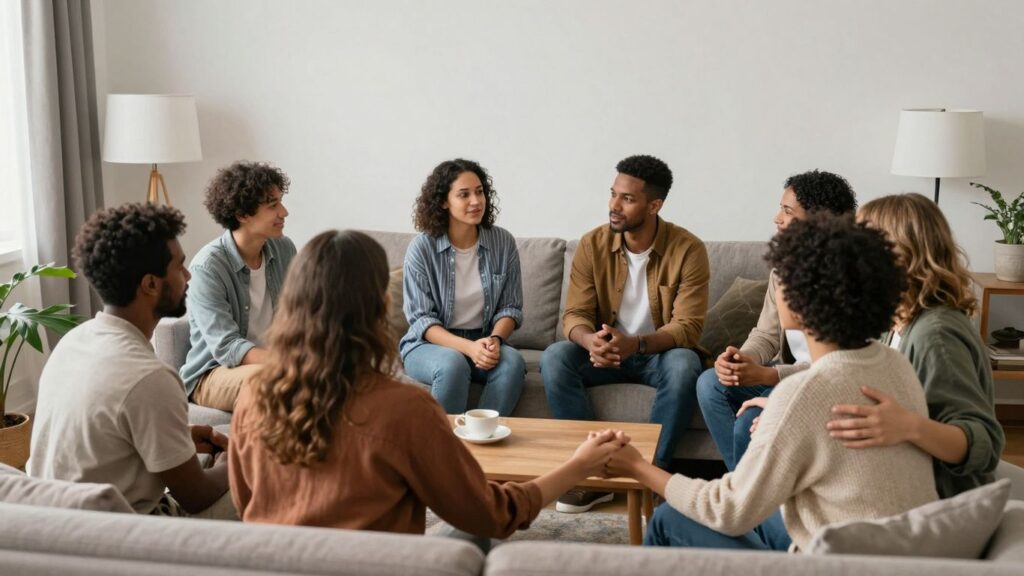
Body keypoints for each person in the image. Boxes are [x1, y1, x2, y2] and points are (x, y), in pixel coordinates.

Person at [228, 230, 625, 544]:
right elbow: (495, 515)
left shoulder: (253, 395)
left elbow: (247, 509)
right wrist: (579, 466)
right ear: (380, 307)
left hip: (275, 564)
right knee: (471, 531)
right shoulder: (404, 408)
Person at [607, 213, 937, 551]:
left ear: (797, 298)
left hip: (836, 563)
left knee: (668, 520)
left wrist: (636, 466)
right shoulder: (895, 363)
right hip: (899, 556)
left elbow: (728, 511)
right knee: (763, 507)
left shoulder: (803, 395)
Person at [28, 203, 233, 518]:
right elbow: (197, 496)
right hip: (125, 535)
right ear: (150, 284)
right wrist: (235, 462)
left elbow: (100, 433)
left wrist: (183, 435)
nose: (189, 274)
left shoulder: (74, 341)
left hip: (56, 520)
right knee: (263, 477)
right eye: (180, 266)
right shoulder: (149, 378)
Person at [541, 154, 708, 513]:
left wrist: (637, 344)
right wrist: (590, 341)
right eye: (613, 194)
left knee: (684, 364)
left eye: (627, 199)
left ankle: (651, 476)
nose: (614, 206)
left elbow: (687, 326)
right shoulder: (592, 244)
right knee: (555, 357)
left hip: (656, 354)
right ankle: (590, 474)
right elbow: (575, 314)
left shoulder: (689, 249)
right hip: (604, 353)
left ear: (654, 205)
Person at [828, 193, 1005, 498]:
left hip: (938, 507)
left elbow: (985, 444)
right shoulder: (899, 323)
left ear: (900, 256)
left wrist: (910, 427)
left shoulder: (935, 336)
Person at [697, 170, 857, 471]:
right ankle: (743, 489)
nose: (777, 219)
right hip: (788, 376)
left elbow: (839, 364)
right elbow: (767, 334)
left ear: (818, 220)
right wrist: (740, 360)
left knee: (749, 424)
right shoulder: (783, 269)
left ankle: (751, 501)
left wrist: (768, 376)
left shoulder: (849, 277)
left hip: (824, 383)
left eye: (787, 211)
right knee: (711, 382)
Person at [400, 159, 525, 415]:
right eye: (464, 194)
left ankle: (481, 437)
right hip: (429, 344)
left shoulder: (503, 242)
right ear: (444, 201)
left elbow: (511, 308)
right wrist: (468, 348)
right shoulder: (422, 248)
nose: (476, 201)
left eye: (480, 192)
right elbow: (422, 320)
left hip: (484, 338)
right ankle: (444, 448)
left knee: (513, 363)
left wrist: (494, 339)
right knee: (453, 364)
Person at [180, 161, 296, 411]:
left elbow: (300, 316)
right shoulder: (208, 267)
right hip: (214, 373)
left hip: (273, 364)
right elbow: (226, 346)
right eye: (272, 205)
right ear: (242, 215)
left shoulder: (284, 249)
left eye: (281, 202)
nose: (283, 212)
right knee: (281, 382)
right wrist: (287, 363)